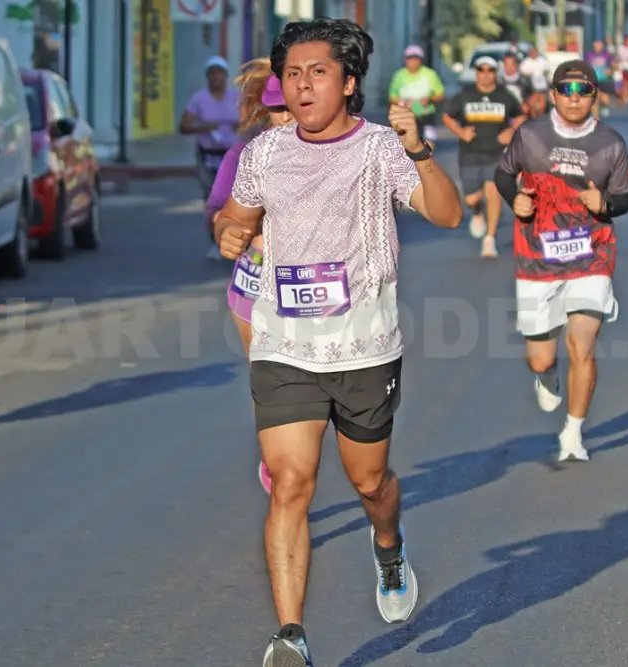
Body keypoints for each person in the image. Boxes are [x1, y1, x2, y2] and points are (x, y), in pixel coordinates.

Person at [213, 17, 462, 667]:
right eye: (291, 74)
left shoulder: (380, 148)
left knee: (370, 481)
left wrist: (419, 151)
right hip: (284, 344)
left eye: (316, 73)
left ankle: (387, 547)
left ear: (348, 83)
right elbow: (234, 218)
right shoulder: (262, 154)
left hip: (365, 349)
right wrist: (229, 235)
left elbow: (447, 214)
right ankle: (290, 632)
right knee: (290, 480)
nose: (301, 86)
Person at [494, 60, 628, 462]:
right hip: (538, 257)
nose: (575, 99)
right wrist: (515, 200)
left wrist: (604, 203)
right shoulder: (531, 135)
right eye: (566, 90)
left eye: (583, 91)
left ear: (595, 96)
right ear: (553, 95)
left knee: (582, 344)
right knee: (540, 356)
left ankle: (573, 433)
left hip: (592, 253)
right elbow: (504, 175)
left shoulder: (611, 143)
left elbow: (623, 198)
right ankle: (547, 375)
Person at [203, 59, 296, 495]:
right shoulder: (244, 155)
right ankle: (276, 458)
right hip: (254, 288)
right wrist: (229, 229)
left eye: (293, 107)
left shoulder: (336, 154)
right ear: (265, 111)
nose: (287, 117)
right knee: (270, 379)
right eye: (277, 109)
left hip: (318, 293)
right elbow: (216, 210)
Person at [442, 55, 524, 258]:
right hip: (470, 153)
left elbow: (521, 115)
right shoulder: (465, 95)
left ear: (495, 73)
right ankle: (478, 213)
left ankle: (490, 239)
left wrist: (511, 131)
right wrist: (461, 133)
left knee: (494, 194)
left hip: (497, 153)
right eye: (482, 70)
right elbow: (447, 116)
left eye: (490, 70)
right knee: (472, 199)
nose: (486, 74)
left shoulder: (505, 95)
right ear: (477, 73)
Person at [179, 56, 240, 200]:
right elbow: (183, 127)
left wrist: (241, 125)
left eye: (220, 72)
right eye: (212, 73)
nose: (216, 76)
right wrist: (202, 128)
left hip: (230, 155)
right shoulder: (198, 98)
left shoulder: (237, 97)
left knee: (231, 196)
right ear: (207, 76)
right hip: (207, 155)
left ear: (226, 75)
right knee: (211, 195)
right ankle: (212, 219)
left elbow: (252, 121)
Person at [387, 45, 445, 143]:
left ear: (420, 60)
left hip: (426, 115)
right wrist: (403, 101)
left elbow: (441, 95)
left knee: (429, 144)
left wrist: (429, 99)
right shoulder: (399, 76)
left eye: (416, 58)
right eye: (410, 58)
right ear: (406, 60)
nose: (413, 62)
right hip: (405, 116)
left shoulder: (430, 74)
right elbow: (392, 97)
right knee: (407, 145)